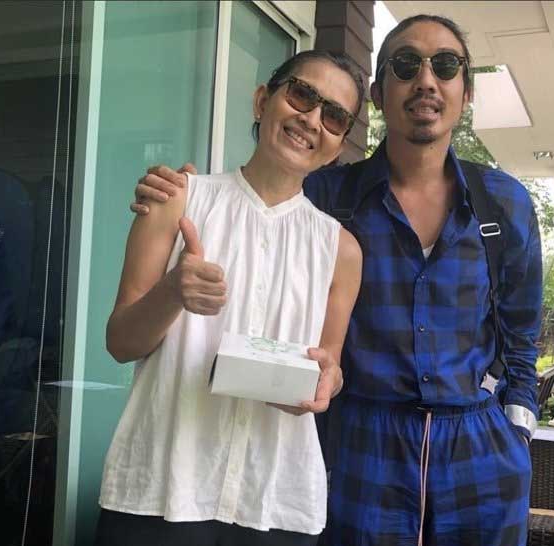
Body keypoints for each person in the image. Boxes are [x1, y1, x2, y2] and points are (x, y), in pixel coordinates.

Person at [132, 15, 542, 546]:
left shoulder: (503, 204)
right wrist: (181, 191)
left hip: (478, 453)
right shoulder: (327, 196)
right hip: (361, 448)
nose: (426, 80)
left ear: (466, 93)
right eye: (405, 64)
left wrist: (516, 437)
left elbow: (521, 335)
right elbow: (256, 210)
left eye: (445, 66)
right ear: (378, 93)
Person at [95, 50, 364, 546]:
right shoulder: (177, 200)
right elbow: (120, 342)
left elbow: (328, 364)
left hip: (274, 499)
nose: (311, 119)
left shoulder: (341, 250)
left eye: (333, 116)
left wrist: (325, 381)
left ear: (337, 146)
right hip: (161, 487)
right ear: (263, 101)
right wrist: (172, 292)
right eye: (302, 95)